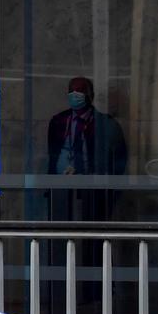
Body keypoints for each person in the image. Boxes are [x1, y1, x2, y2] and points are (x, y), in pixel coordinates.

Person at [46, 76, 127, 220]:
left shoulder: (106, 124)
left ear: (92, 96)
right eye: (72, 91)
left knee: (93, 230)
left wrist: (112, 189)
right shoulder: (58, 121)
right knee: (59, 229)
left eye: (81, 91)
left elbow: (119, 160)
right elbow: (52, 154)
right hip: (60, 187)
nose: (75, 94)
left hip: (93, 189)